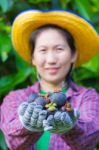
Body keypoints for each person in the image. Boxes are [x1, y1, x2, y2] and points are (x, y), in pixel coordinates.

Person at [0, 10, 99, 150]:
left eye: (59, 49)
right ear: (33, 58)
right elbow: (13, 142)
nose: (51, 60)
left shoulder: (88, 98)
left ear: (73, 55)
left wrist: (71, 126)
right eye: (43, 50)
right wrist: (25, 125)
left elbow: (88, 138)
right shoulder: (15, 98)